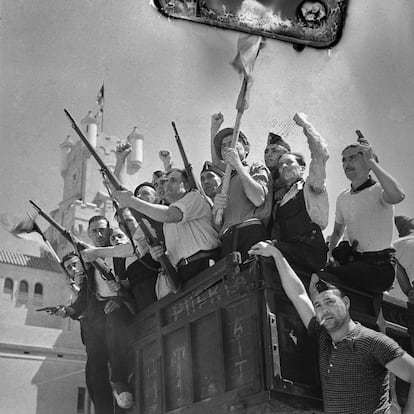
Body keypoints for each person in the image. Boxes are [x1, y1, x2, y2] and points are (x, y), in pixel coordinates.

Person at [248, 241, 414, 414]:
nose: (323, 309)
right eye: (318, 305)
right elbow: (298, 294)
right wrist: (276, 254)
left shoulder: (372, 342)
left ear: (346, 302)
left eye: (329, 301)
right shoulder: (324, 338)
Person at [65, 216, 134, 413]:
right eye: (94, 231)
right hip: (99, 316)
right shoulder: (88, 263)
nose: (99, 234)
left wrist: (120, 299)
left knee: (114, 324)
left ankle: (120, 381)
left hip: (123, 309)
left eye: (102, 230)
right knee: (94, 369)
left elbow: (134, 281)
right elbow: (85, 297)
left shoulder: (119, 252)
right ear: (89, 234)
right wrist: (69, 310)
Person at [322, 137, 405, 293]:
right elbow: (337, 233)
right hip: (353, 262)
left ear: (367, 162)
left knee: (330, 276)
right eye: (344, 160)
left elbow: (398, 196)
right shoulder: (342, 197)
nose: (346, 163)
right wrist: (329, 256)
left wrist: (373, 163)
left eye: (353, 158)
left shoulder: (380, 190)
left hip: (378, 269)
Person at [114, 168, 221, 283]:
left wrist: (132, 201)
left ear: (186, 185)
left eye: (173, 180)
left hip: (204, 264)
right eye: (166, 181)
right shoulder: (166, 224)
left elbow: (169, 215)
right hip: (184, 272)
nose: (167, 185)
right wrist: (158, 255)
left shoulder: (194, 197)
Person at [268, 112, 329, 276]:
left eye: (290, 162)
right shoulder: (279, 201)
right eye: (281, 165)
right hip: (290, 254)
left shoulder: (311, 186)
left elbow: (321, 153)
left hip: (311, 251)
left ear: (302, 168)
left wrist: (305, 125)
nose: (285, 166)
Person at [210, 113, 271, 262]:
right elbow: (217, 226)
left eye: (233, 142)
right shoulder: (222, 186)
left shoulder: (255, 168)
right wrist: (215, 210)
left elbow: (258, 199)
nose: (227, 148)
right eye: (223, 146)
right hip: (228, 240)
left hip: (251, 233)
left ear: (246, 149)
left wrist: (237, 164)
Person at [82, 207, 160, 311]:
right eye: (121, 224)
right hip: (140, 300)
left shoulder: (145, 234)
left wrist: (95, 251)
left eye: (128, 220)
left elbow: (130, 249)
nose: (125, 226)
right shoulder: (123, 253)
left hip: (156, 292)